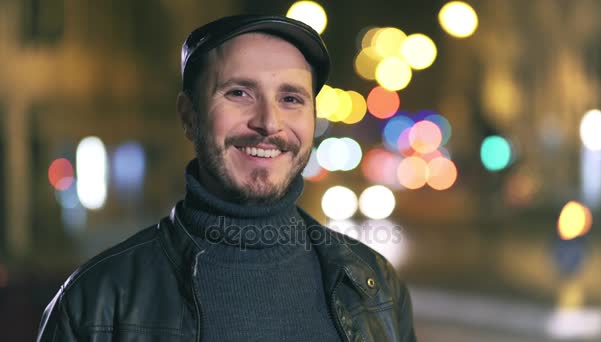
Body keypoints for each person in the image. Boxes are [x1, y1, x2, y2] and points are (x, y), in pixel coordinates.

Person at [36, 15, 417, 341]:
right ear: (189, 115)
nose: (269, 122)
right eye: (238, 93)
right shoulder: (98, 300)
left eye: (291, 99)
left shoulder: (374, 285)